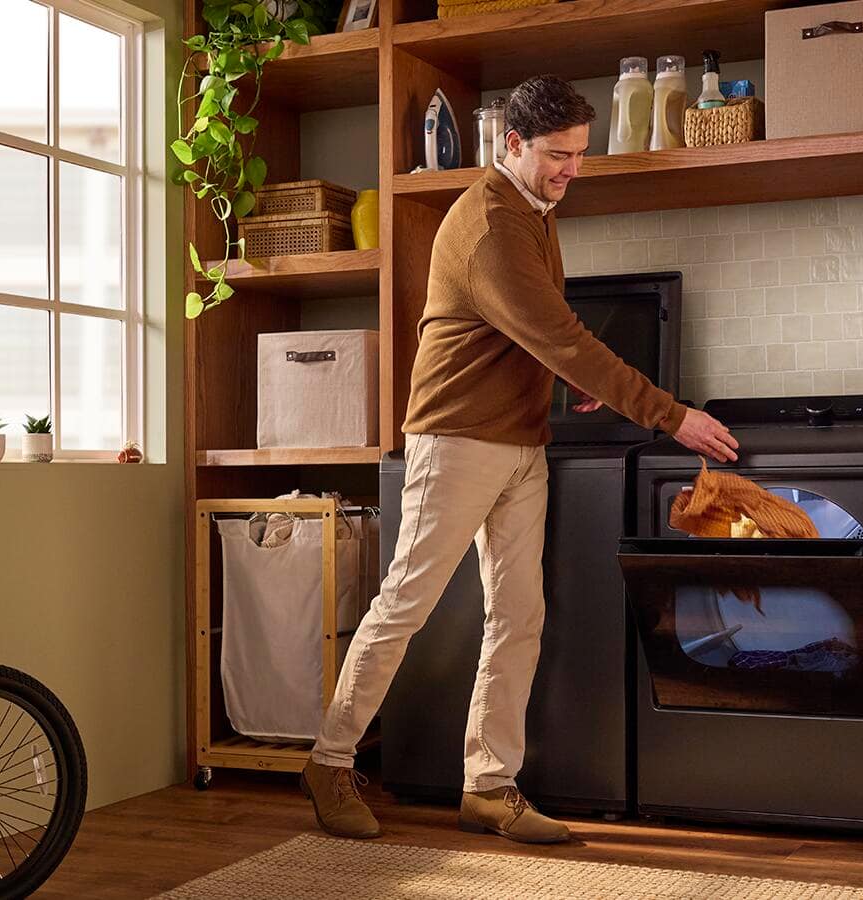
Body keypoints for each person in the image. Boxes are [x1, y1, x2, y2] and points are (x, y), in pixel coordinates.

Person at [300, 74, 739, 844]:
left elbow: (540, 334)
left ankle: (489, 784)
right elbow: (561, 336)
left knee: (519, 615)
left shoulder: (534, 207)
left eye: (579, 154)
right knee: (405, 605)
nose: (572, 169)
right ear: (511, 144)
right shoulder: (491, 225)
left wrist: (570, 383)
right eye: (557, 155)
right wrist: (671, 417)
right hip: (458, 441)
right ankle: (330, 762)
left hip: (520, 444)